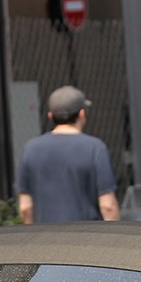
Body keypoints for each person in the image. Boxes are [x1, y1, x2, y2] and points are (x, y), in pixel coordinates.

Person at [15, 86, 120, 224]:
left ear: (50, 116)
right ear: (82, 114)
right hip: (86, 238)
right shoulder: (95, 148)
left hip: (45, 239)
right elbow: (108, 206)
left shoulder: (30, 149)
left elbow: (25, 207)